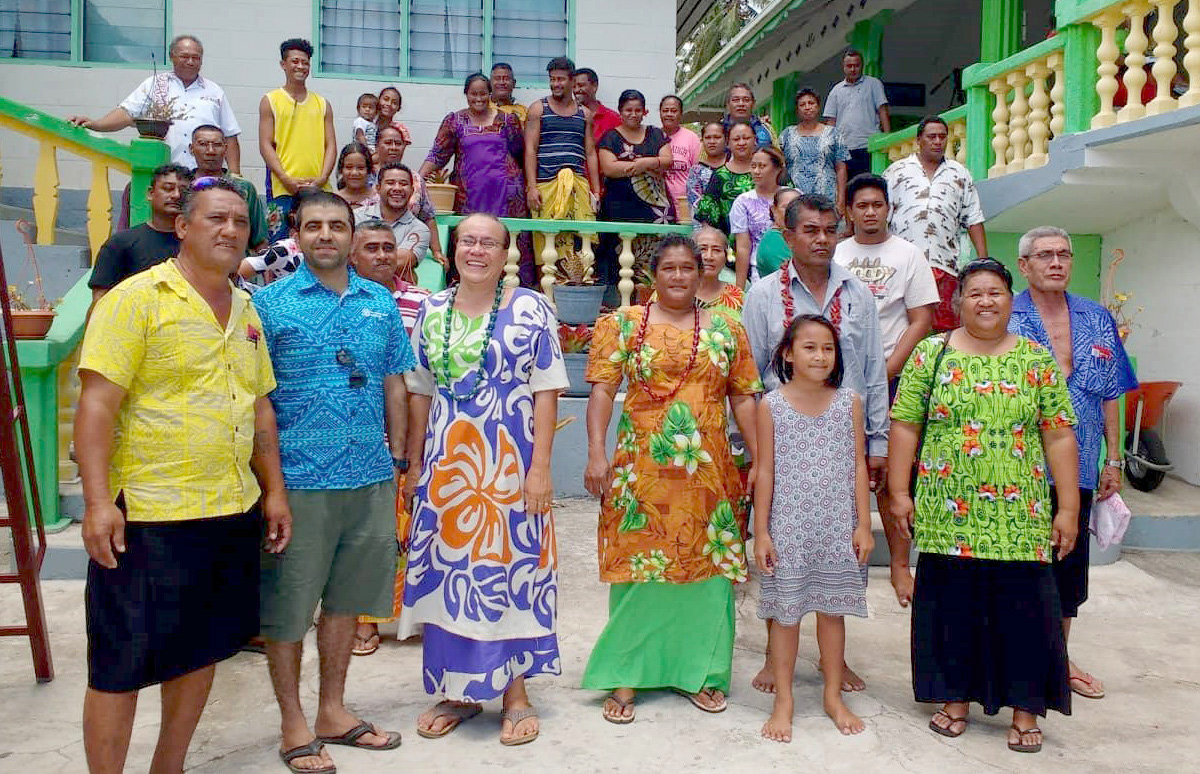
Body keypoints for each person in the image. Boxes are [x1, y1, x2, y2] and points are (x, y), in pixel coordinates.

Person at [75, 177, 289, 774]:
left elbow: (259, 406)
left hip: (229, 507)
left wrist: (273, 491)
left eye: (240, 222)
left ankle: (168, 767)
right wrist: (98, 502)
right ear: (183, 226)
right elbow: (97, 406)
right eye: (216, 218)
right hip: (148, 513)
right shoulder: (135, 300)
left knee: (202, 650)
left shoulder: (245, 307)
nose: (230, 230)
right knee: (119, 665)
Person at [889, 258, 1080, 755]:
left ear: (1011, 301)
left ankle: (1025, 709)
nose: (986, 301)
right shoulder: (931, 354)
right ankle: (954, 698)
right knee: (952, 607)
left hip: (1020, 516)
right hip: (946, 510)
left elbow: (1059, 435)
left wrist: (1068, 508)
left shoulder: (1035, 360)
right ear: (958, 303)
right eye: (975, 292)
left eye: (995, 292)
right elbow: (905, 424)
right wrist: (899, 492)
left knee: (1026, 612)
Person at [253, 190, 413, 774]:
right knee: (289, 607)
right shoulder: (267, 305)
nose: (326, 235)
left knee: (347, 602)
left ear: (351, 235)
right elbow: (257, 400)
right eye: (314, 225)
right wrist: (271, 487)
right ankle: (292, 721)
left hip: (369, 476)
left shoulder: (380, 301)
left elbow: (395, 381)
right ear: (296, 234)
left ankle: (332, 711)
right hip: (298, 481)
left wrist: (398, 460)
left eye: (337, 226)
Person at [399, 213, 567, 746]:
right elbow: (419, 390)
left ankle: (514, 693)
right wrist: (416, 464)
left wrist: (541, 469)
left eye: (488, 243)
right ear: (453, 250)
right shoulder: (432, 310)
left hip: (511, 465)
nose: (477, 250)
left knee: (506, 571)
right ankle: (459, 690)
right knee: (451, 573)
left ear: (504, 253)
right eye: (468, 241)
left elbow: (547, 389)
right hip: (448, 468)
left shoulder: (532, 308)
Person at [581, 234, 762, 724]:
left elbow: (743, 397)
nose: (679, 276)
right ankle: (627, 674)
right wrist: (596, 453)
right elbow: (602, 393)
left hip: (710, 474)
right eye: (669, 268)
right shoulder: (622, 324)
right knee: (639, 571)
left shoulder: (727, 327)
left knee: (707, 571)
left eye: (688, 267)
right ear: (653, 275)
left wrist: (762, 460)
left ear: (701, 271)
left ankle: (701, 673)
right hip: (641, 473)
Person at [742, 194, 887, 695]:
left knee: (840, 547)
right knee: (781, 551)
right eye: (810, 230)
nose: (822, 239)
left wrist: (877, 443)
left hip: (841, 440)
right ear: (787, 236)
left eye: (829, 229)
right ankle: (773, 654)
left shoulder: (858, 294)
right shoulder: (763, 296)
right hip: (781, 440)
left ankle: (833, 662)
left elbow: (871, 370)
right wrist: (756, 450)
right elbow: (750, 376)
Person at [1008, 226, 1138, 702]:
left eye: (1063, 254)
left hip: (1079, 466)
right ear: (1024, 266)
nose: (1056, 262)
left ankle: (1057, 661)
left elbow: (1111, 393)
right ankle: (1011, 662)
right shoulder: (1006, 315)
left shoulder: (1096, 318)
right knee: (1015, 568)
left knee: (1067, 568)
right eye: (1045, 255)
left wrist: (1113, 458)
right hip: (1013, 468)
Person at [755, 314, 873, 741]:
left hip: (837, 526)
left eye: (828, 348)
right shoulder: (771, 406)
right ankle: (784, 701)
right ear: (788, 354)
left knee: (832, 612)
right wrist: (762, 532)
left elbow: (858, 466)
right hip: (789, 527)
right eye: (809, 347)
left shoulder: (849, 402)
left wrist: (863, 524)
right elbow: (765, 471)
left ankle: (832, 696)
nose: (820, 356)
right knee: (786, 617)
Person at [833, 173, 938, 605]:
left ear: (889, 209)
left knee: (894, 477)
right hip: (838, 383)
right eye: (862, 205)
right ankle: (839, 561)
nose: (870, 212)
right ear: (849, 211)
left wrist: (886, 372)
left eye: (878, 204)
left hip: (895, 380)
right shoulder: (836, 252)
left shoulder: (908, 254)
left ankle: (899, 565)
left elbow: (922, 319)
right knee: (843, 473)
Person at [348, 220, 430, 657]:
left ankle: (417, 613)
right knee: (366, 533)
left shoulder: (423, 302)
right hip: (359, 434)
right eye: (371, 248)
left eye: (388, 247)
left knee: (413, 527)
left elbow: (423, 376)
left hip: (412, 430)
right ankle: (365, 617)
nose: (382, 255)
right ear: (352, 255)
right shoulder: (341, 302)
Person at [68, 35, 241, 172]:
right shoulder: (156, 84)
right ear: (172, 57)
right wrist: (96, 124)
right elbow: (126, 114)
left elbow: (230, 135)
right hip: (164, 173)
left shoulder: (214, 91)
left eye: (196, 57)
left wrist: (235, 174)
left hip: (204, 175)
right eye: (184, 56)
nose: (190, 62)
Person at [418, 73, 529, 283]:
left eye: (483, 94)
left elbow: (520, 154)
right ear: (466, 94)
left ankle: (510, 291)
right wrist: (417, 180)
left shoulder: (508, 121)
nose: (478, 99)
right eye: (473, 94)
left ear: (490, 94)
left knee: (505, 243)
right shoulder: (454, 121)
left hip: (506, 197)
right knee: (471, 242)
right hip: (468, 197)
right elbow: (438, 154)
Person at [884, 116, 987, 332]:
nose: (938, 142)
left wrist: (983, 262)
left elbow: (973, 218)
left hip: (945, 266)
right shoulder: (896, 172)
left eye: (942, 137)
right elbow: (883, 215)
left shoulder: (959, 173)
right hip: (904, 267)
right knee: (902, 328)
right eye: (932, 137)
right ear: (919, 140)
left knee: (945, 330)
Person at [259, 38, 337, 242]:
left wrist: (322, 178)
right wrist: (285, 178)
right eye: (295, 61)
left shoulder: (323, 104)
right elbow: (265, 144)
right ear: (283, 64)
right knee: (280, 244)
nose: (300, 66)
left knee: (318, 241)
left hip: (318, 188)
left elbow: (331, 145)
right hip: (282, 187)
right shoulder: (270, 101)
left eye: (305, 62)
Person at [524, 57, 601, 264]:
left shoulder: (585, 114)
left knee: (581, 250)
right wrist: (532, 187)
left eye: (560, 79)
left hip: (578, 188)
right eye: (552, 79)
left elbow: (590, 153)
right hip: (546, 187)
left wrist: (595, 191)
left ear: (572, 81)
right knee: (547, 250)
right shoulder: (538, 109)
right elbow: (530, 149)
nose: (555, 84)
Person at [596, 89, 674, 287]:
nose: (633, 114)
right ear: (620, 111)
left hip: (655, 210)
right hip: (620, 208)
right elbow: (609, 168)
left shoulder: (655, 134)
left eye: (638, 110)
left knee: (655, 259)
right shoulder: (611, 137)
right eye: (628, 110)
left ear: (644, 112)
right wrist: (643, 166)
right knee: (621, 258)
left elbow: (667, 160)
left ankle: (651, 297)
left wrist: (645, 162)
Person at [88, 163, 189, 306]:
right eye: (168, 188)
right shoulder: (120, 243)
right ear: (150, 193)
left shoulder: (198, 244)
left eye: (183, 191)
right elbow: (100, 301)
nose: (176, 195)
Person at [190, 126, 269, 252]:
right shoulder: (183, 187)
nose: (210, 151)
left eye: (217, 145)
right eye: (203, 144)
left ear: (226, 149)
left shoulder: (244, 188)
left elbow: (260, 241)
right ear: (191, 149)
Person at [823, 49, 890, 181]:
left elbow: (883, 110)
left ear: (862, 66)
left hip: (869, 145)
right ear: (844, 67)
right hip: (844, 148)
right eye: (849, 66)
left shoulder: (873, 84)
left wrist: (887, 138)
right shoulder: (836, 91)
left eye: (856, 65)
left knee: (869, 183)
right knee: (848, 187)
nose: (853, 69)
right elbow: (831, 122)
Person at [780, 88, 849, 214]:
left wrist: (841, 201)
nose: (807, 107)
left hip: (827, 197)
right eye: (802, 104)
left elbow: (841, 168)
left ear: (818, 107)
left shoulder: (833, 134)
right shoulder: (787, 135)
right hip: (795, 198)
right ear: (797, 110)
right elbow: (779, 165)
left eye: (811, 103)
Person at [730, 146, 787, 287]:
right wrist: (739, 288)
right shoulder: (743, 201)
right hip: (760, 270)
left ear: (777, 169)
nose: (756, 171)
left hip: (792, 265)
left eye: (762, 166)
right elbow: (743, 247)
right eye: (753, 166)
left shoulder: (791, 196)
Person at [356, 162, 431, 262]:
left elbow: (401, 262)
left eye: (403, 184)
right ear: (378, 188)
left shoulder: (420, 230)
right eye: (390, 183)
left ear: (412, 190)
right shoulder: (356, 217)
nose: (397, 188)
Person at [693, 120, 756, 236]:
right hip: (730, 241)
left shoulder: (766, 171)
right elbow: (707, 216)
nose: (741, 143)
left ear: (755, 140)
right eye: (736, 139)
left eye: (746, 138)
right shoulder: (720, 175)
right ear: (728, 143)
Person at [660, 95, 700, 209]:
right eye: (665, 110)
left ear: (681, 114)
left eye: (673, 111)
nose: (669, 114)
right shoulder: (653, 136)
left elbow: (698, 174)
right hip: (659, 204)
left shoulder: (692, 138)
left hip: (684, 204)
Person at [696, 225, 744, 318]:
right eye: (702, 249)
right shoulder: (675, 293)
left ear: (725, 257)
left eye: (716, 250)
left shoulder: (738, 297)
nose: (709, 256)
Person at [755, 187, 800, 279]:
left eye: (798, 208)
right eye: (786, 207)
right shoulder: (773, 242)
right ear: (774, 209)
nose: (793, 212)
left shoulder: (794, 236)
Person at [685, 121, 727, 214]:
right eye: (708, 138)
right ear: (702, 141)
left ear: (726, 140)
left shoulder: (735, 165)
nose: (712, 142)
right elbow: (695, 207)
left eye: (717, 137)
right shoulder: (696, 172)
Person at [572, 67, 622, 141]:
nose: (576, 90)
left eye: (581, 85)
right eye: (573, 87)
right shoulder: (569, 116)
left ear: (594, 86)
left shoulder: (613, 118)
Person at [722, 83, 775, 148]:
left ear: (753, 103)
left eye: (746, 100)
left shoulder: (766, 129)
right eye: (736, 100)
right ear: (728, 104)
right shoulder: (718, 130)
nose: (741, 104)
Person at [334, 141, 379, 217]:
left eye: (360, 168)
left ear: (368, 170)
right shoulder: (333, 201)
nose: (354, 173)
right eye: (349, 167)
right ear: (341, 170)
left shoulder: (378, 200)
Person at [375, 87, 413, 158]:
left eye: (394, 103)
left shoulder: (400, 130)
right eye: (386, 99)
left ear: (398, 108)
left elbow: (397, 156)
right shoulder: (366, 124)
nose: (389, 104)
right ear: (378, 101)